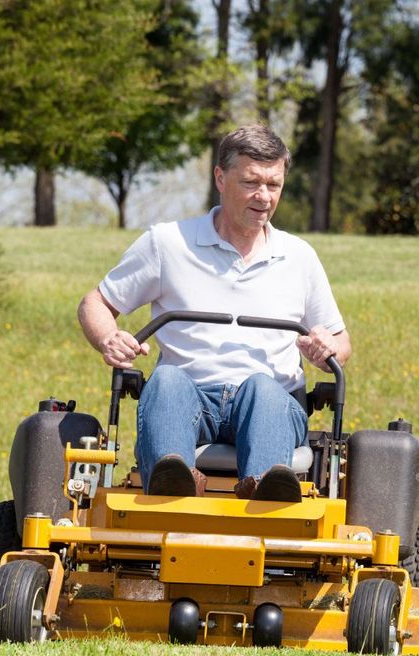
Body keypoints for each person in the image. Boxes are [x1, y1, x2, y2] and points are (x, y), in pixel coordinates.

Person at [77, 124, 351, 501]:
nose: (264, 197)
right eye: (251, 182)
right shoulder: (167, 243)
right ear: (220, 178)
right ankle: (173, 479)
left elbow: (340, 341)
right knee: (168, 380)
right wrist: (109, 337)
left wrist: (328, 349)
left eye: (274, 185)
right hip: (189, 398)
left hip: (269, 402)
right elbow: (96, 304)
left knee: (263, 388)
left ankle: (266, 488)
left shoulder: (299, 256)